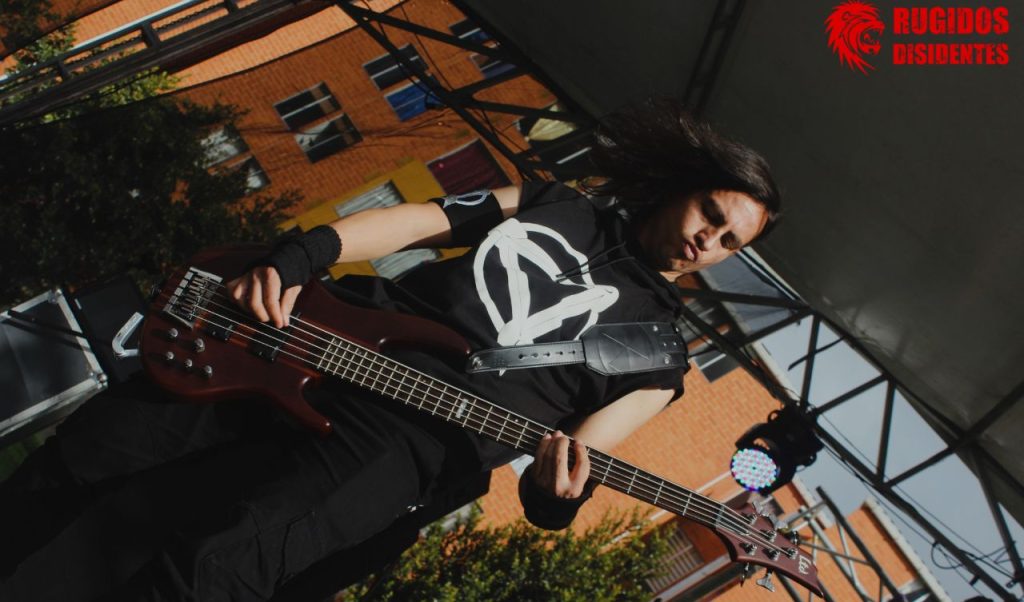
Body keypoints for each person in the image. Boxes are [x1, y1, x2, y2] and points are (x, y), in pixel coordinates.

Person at [0, 99, 779, 601]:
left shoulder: (659, 359)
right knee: (88, 454)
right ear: (683, 187)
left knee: (216, 571)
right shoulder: (559, 205)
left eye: (729, 242)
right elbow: (420, 221)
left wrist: (556, 499)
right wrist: (299, 259)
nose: (708, 240)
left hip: (407, 443)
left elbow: (581, 456)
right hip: (325, 334)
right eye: (710, 213)